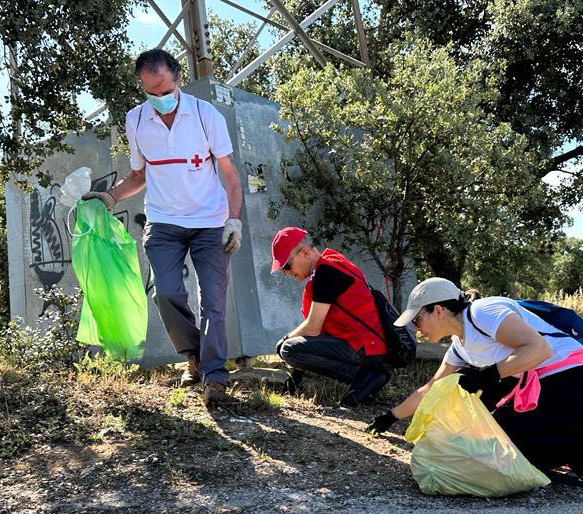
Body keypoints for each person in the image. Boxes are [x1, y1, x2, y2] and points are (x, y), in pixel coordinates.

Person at [83, 49, 244, 405]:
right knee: (165, 293)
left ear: (178, 80)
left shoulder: (205, 116)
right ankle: (194, 356)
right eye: (150, 92)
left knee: (213, 301)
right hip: (163, 222)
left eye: (163, 89)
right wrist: (110, 198)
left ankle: (215, 378)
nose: (158, 98)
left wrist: (234, 218)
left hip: (210, 222)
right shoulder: (137, 120)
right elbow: (139, 175)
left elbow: (231, 175)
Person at [366, 278, 583, 486]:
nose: (417, 328)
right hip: (549, 393)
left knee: (503, 444)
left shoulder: (483, 312)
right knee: (492, 448)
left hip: (577, 387)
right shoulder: (459, 347)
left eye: (417, 319)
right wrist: (390, 417)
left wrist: (488, 375)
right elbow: (430, 387)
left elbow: (539, 350)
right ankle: (571, 451)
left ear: (438, 310)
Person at [270, 227, 392, 408]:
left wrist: (284, 339)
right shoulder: (331, 263)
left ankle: (366, 375)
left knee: (287, 348)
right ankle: (367, 376)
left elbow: (312, 329)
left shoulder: (325, 274)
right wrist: (293, 382)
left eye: (287, 266)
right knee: (292, 346)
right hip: (368, 347)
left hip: (365, 349)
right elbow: (311, 337)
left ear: (304, 253)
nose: (286, 273)